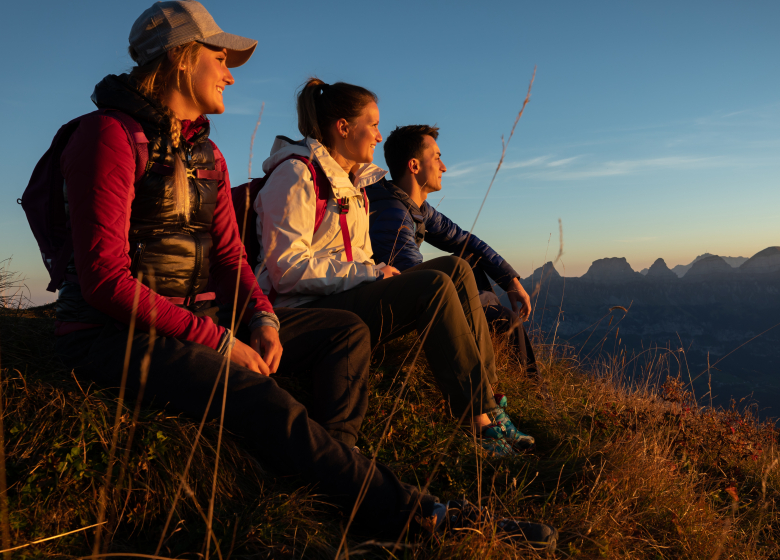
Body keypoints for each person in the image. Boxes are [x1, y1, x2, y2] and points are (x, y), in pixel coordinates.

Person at [45, 1, 555, 547]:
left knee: (346, 331)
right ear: (180, 59)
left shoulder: (206, 154)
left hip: (192, 317)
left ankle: (337, 486)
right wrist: (219, 341)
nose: (230, 71)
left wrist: (261, 319)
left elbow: (231, 257)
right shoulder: (108, 137)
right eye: (219, 56)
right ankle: (423, 517)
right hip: (110, 336)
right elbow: (104, 280)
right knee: (266, 404)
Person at [250, 79, 534, 456]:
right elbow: (287, 270)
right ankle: (477, 423)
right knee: (432, 286)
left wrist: (507, 278)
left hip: (344, 294)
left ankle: (491, 404)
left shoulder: (355, 184)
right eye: (373, 124)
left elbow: (457, 241)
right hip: (302, 311)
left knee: (455, 268)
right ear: (343, 127)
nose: (379, 135)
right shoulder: (296, 175)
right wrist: (371, 274)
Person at [369, 125, 541, 380]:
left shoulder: (416, 207)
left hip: (413, 293)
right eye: (437, 158)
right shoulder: (394, 214)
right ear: (414, 166)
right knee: (504, 320)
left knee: (469, 258)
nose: (444, 167)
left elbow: (466, 241)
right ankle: (531, 389)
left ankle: (489, 335)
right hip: (391, 309)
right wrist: (489, 303)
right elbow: (419, 283)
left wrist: (510, 281)